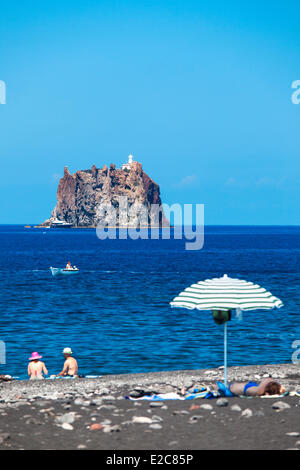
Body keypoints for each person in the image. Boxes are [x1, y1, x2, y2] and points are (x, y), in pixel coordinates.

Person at [215, 377, 285, 397]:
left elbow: (268, 379)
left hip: (230, 390)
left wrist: (278, 386)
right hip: (232, 388)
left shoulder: (258, 391)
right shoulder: (259, 389)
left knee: (217, 387)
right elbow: (269, 380)